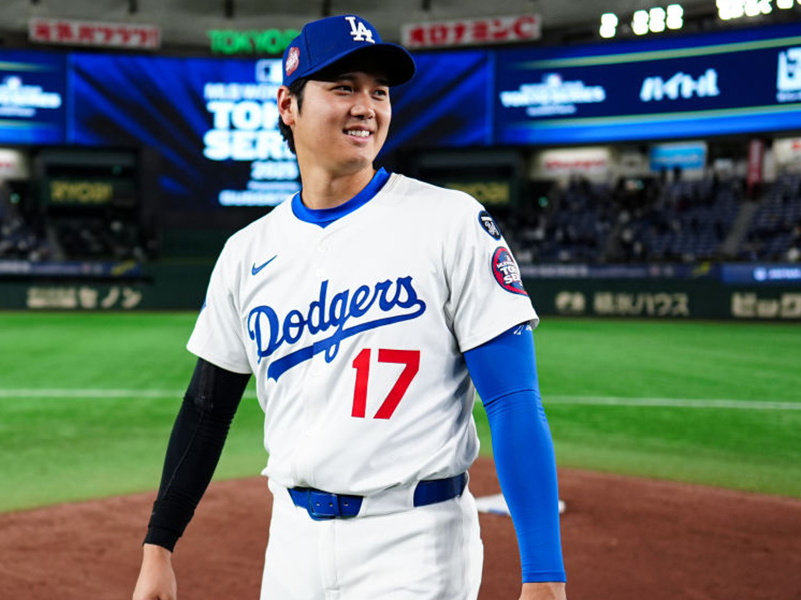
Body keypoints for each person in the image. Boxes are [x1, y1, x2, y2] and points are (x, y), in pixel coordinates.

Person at [133, 14, 566, 600]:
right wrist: (159, 548)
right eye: (344, 88)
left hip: (416, 541)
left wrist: (543, 574)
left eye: (379, 91)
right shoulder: (247, 252)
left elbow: (514, 401)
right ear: (289, 105)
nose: (367, 105)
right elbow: (205, 412)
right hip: (291, 542)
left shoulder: (450, 221)